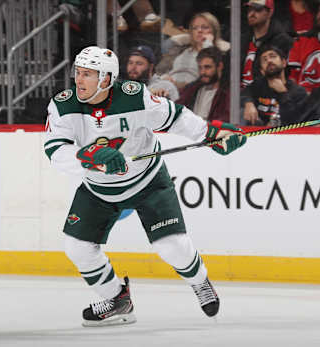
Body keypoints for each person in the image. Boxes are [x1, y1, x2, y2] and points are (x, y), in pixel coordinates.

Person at [43, 46, 246, 327]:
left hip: (148, 182)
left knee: (172, 247)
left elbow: (174, 117)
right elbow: (55, 151)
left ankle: (200, 282)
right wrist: (89, 159)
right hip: (98, 190)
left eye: (87, 74)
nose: (78, 79)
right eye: (77, 72)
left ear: (105, 79)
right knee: (77, 247)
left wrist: (211, 134)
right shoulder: (63, 105)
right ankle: (117, 299)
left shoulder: (134, 96)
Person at [157, 12, 230, 90]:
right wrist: (164, 77)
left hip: (191, 91)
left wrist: (208, 45)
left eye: (205, 27)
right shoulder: (180, 48)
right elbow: (159, 71)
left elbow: (212, 77)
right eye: (195, 28)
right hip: (167, 86)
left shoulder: (222, 54)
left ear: (214, 31)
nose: (199, 30)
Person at [241, 45, 308, 126]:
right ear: (262, 70)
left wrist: (283, 93)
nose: (269, 60)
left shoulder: (298, 92)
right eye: (264, 60)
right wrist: (248, 103)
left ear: (284, 63)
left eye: (273, 56)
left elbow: (296, 120)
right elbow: (244, 93)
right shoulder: (257, 87)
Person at [241, 0, 294, 89]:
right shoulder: (242, 40)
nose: (252, 13)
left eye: (257, 9)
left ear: (270, 12)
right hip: (240, 95)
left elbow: (286, 77)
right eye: (249, 9)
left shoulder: (283, 42)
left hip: (266, 95)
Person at [176, 47, 230, 121]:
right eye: (200, 68)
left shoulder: (228, 93)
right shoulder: (192, 89)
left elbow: (226, 120)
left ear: (220, 66)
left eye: (207, 67)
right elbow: (177, 109)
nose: (202, 72)